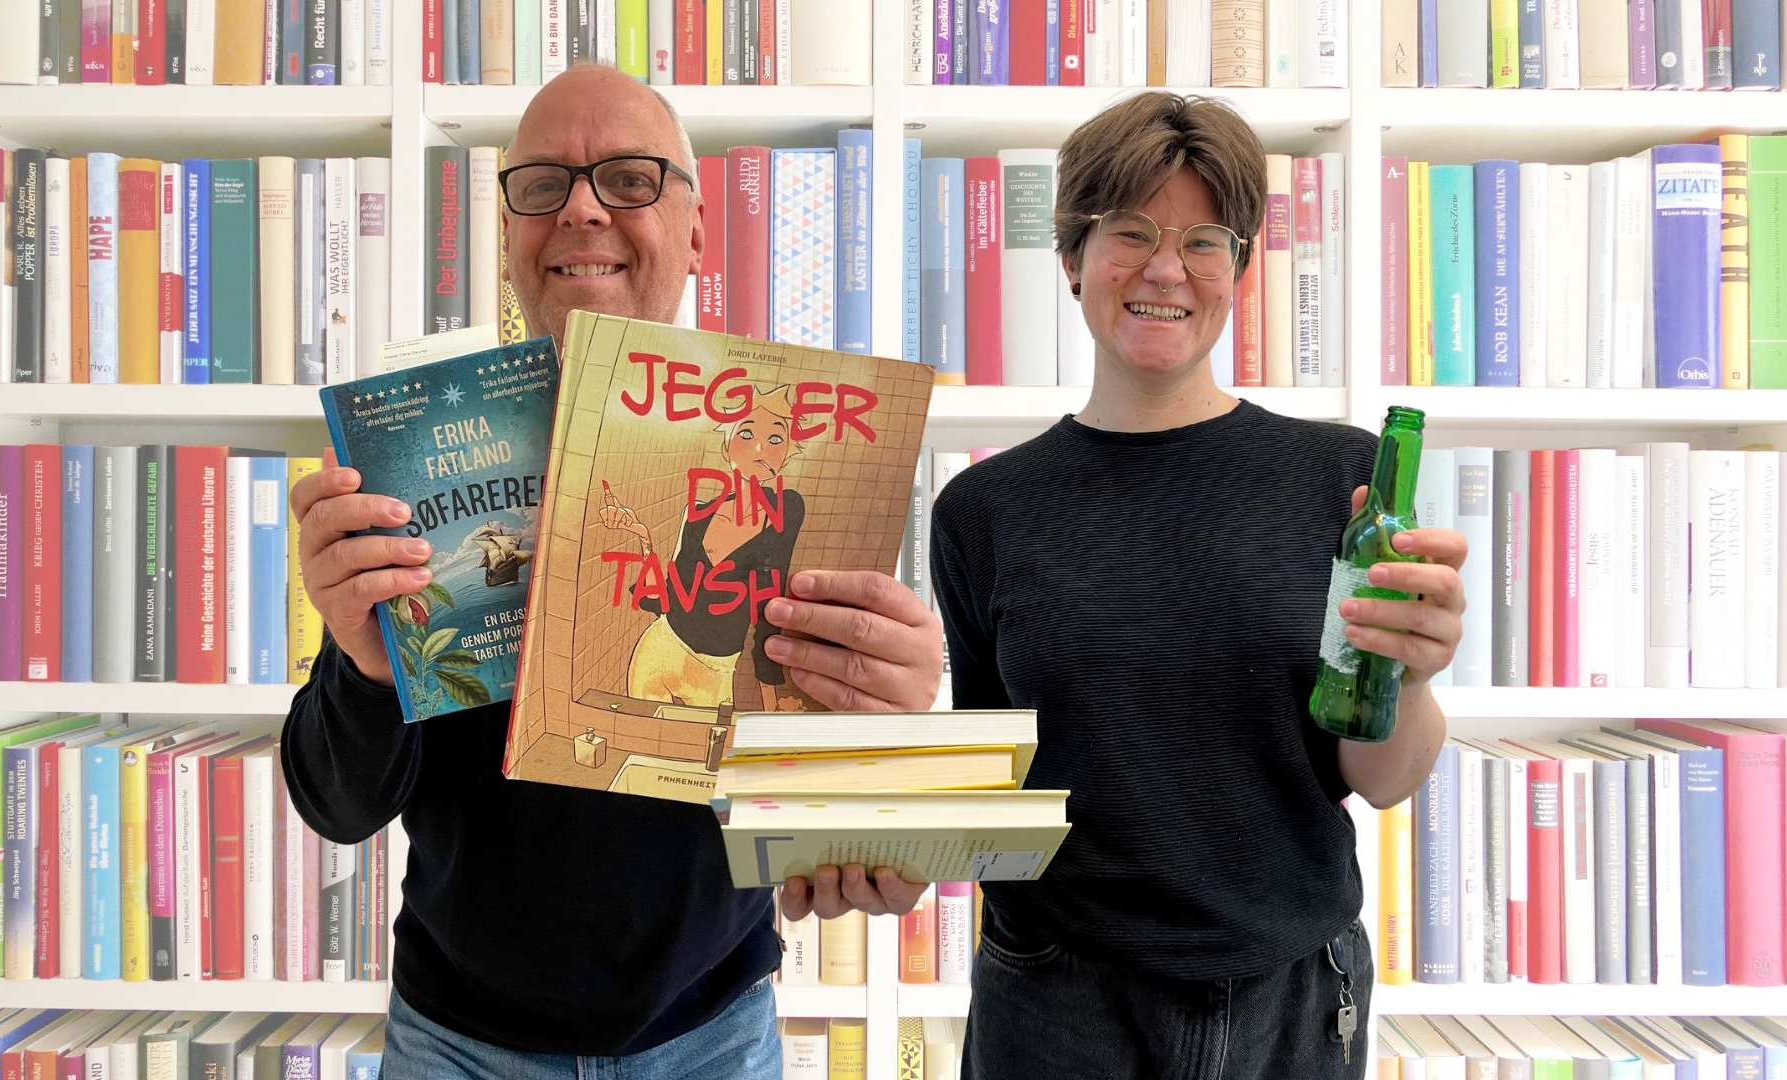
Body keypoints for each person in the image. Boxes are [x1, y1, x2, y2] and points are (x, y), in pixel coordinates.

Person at [282, 62, 939, 1079]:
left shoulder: (797, 466)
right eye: (543, 184)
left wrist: (892, 749)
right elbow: (338, 807)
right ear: (510, 232)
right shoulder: (418, 468)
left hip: (714, 1034)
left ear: (697, 229)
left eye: (630, 179)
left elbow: (851, 841)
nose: (582, 209)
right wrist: (364, 663)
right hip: (456, 1040)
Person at [929, 92, 1468, 1079]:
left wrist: (1416, 677)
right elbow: (986, 789)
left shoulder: (1342, 479)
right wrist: (858, 840)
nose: (1166, 269)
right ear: (1072, 257)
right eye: (1130, 233)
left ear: (1241, 269)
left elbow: (1382, 781)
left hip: (1292, 997)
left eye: (1205, 241)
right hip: (1058, 999)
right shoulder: (982, 511)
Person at [601, 383, 808, 712]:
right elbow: (667, 594)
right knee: (639, 736)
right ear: (727, 448)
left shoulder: (785, 510)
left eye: (775, 438)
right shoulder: (696, 513)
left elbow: (768, 607)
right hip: (660, 648)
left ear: (786, 453)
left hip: (714, 671)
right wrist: (642, 537)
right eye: (746, 434)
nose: (760, 448)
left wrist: (771, 704)